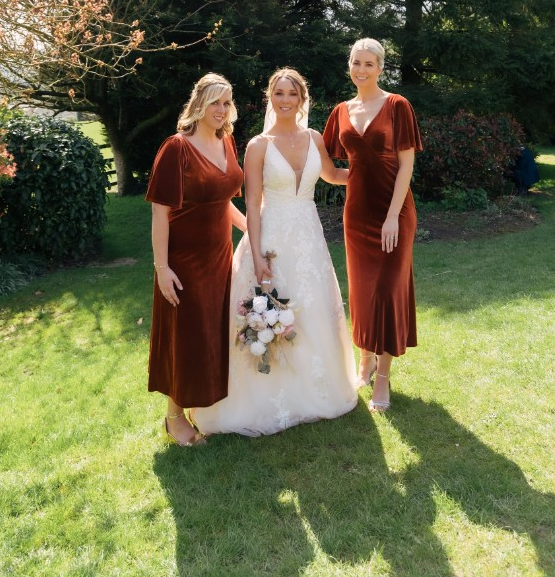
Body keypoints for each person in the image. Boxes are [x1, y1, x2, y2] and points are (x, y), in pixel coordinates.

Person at [193, 68, 357, 436]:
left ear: (302, 99)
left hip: (309, 238)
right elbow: (252, 203)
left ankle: (319, 391)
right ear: (271, 98)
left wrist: (372, 172)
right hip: (272, 239)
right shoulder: (258, 146)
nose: (286, 100)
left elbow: (332, 174)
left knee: (314, 308)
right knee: (274, 310)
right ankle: (268, 398)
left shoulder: (315, 137)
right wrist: (257, 252)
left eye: (292, 94)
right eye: (279, 93)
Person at [146, 73, 246, 446]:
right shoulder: (177, 148)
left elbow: (224, 201)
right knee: (187, 336)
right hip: (185, 260)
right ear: (199, 103)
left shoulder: (227, 141)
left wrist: (250, 228)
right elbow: (160, 213)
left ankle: (198, 409)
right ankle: (174, 419)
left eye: (226, 102)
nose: (221, 110)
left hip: (221, 256)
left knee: (211, 333)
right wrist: (162, 268)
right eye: (215, 102)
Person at [323, 38, 422, 412]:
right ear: (349, 66)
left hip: (394, 212)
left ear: (381, 67)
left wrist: (393, 215)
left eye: (369, 63)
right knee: (363, 291)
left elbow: (406, 164)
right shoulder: (340, 111)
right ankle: (365, 360)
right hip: (357, 215)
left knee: (387, 291)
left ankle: (383, 377)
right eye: (356, 63)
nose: (361, 70)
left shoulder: (397, 105)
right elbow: (331, 169)